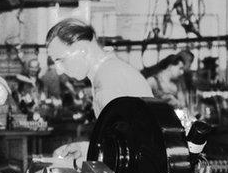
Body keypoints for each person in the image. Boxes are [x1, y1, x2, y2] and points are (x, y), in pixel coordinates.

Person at [45, 18, 152, 159]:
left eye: (60, 60)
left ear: (82, 49)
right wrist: (84, 149)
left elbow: (129, 151)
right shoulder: (109, 71)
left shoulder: (109, 79)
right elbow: (119, 143)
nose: (58, 71)